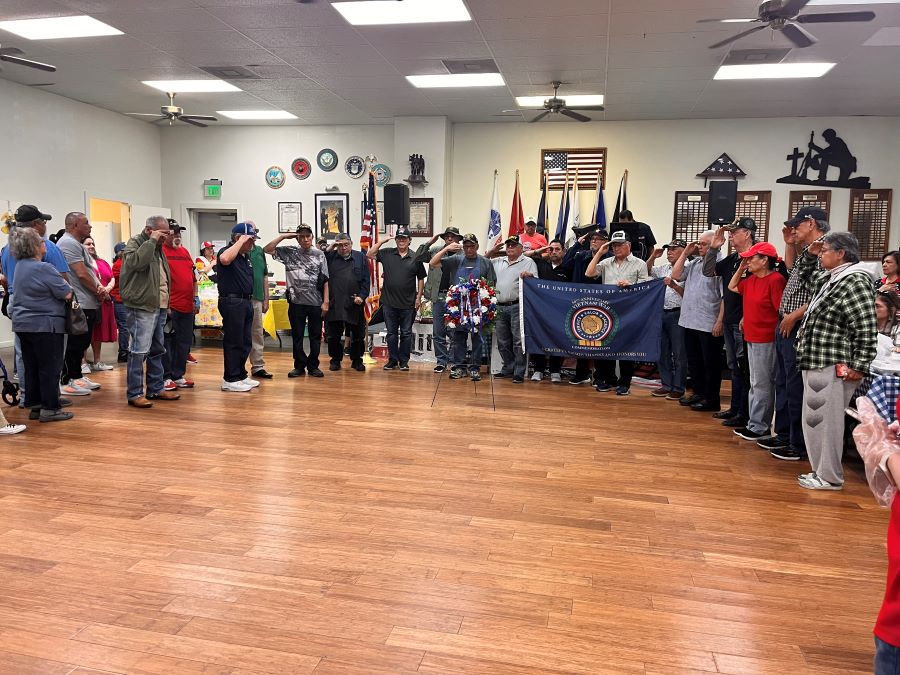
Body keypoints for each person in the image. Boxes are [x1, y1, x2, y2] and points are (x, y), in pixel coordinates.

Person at [794, 232, 876, 490]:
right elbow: (804, 276)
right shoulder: (833, 278)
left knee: (826, 421)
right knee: (814, 419)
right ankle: (820, 471)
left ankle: (830, 476)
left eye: (825, 250)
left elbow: (865, 325)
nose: (821, 254)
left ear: (841, 253)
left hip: (832, 362)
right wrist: (808, 253)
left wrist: (860, 365)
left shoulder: (856, 280)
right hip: (817, 359)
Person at [763, 206, 829, 460]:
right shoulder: (808, 251)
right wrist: (789, 243)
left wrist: (793, 315)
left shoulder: (825, 250)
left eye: (797, 225)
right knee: (783, 381)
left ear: (811, 223)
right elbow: (793, 271)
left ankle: (797, 443)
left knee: (794, 385)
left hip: (797, 324)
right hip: (786, 322)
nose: (793, 230)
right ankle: (783, 434)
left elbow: (820, 293)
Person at [1, 205, 70, 404]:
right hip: (45, 307)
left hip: (18, 303)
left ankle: (28, 397)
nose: (45, 226)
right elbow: (64, 282)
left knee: (25, 357)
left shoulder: (7, 249)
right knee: (50, 358)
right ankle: (50, 399)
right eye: (43, 222)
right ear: (35, 225)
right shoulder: (47, 249)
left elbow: (5, 279)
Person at [119, 215, 181, 407]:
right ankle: (135, 393)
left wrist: (167, 302)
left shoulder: (159, 248)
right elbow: (136, 263)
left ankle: (155, 388)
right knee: (138, 351)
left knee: (157, 349)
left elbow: (162, 277)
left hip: (159, 305)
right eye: (163, 234)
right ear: (149, 230)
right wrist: (152, 241)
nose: (166, 237)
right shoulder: (136, 243)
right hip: (141, 306)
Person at [728, 242, 787, 443]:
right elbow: (732, 286)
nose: (747, 261)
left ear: (764, 261)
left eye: (751, 258)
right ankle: (755, 422)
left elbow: (781, 311)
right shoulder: (751, 279)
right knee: (755, 382)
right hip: (751, 336)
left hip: (766, 337)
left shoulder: (775, 280)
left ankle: (760, 426)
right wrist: (741, 267)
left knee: (762, 383)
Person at [703, 218, 756, 429]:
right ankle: (736, 409)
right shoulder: (733, 258)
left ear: (748, 233)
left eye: (735, 232)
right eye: (730, 233)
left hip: (746, 322)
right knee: (735, 368)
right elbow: (708, 272)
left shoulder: (759, 257)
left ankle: (745, 413)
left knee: (746, 370)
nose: (730, 236)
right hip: (730, 320)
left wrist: (746, 316)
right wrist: (714, 249)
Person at [585, 230, 651, 395]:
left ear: (628, 245)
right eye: (613, 245)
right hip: (607, 311)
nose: (616, 248)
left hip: (629, 312)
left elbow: (645, 288)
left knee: (625, 348)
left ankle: (624, 383)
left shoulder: (639, 264)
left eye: (620, 244)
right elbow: (589, 273)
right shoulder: (606, 262)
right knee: (605, 346)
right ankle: (605, 379)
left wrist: (630, 285)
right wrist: (600, 252)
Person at [263, 224, 329, 378]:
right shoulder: (289, 252)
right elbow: (267, 249)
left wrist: (326, 301)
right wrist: (284, 236)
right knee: (297, 336)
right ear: (297, 238)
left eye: (308, 236)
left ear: (312, 237)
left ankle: (313, 366)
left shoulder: (319, 254)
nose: (305, 239)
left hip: (315, 302)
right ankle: (299, 365)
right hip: (296, 302)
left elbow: (326, 279)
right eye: (302, 236)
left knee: (315, 336)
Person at [429, 233, 497, 381]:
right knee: (458, 338)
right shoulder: (456, 259)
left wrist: (488, 308)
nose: (469, 249)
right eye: (466, 246)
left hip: (478, 308)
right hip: (458, 308)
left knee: (477, 339)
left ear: (477, 246)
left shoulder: (486, 262)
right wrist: (446, 248)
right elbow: (433, 263)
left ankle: (475, 368)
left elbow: (492, 286)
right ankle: (459, 367)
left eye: (472, 246)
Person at [671, 231, 725, 412]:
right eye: (699, 244)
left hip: (709, 321)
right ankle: (699, 392)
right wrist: (685, 253)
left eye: (704, 244)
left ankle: (711, 399)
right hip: (689, 320)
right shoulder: (694, 263)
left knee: (710, 363)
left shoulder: (720, 264)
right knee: (694, 361)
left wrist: (720, 321)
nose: (700, 247)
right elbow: (676, 275)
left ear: (715, 244)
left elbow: (725, 297)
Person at [56, 212, 106, 394]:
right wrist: (98, 291)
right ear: (75, 225)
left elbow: (89, 271)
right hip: (80, 301)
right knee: (76, 342)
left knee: (82, 341)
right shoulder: (68, 243)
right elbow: (81, 274)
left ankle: (76, 376)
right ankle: (67, 380)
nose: (90, 226)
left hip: (87, 300)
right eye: (86, 223)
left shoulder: (76, 244)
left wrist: (98, 289)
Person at [368, 226, 425, 371]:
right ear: (396, 240)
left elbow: (420, 278)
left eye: (404, 238)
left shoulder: (415, 257)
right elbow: (370, 253)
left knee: (406, 333)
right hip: (389, 302)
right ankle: (393, 360)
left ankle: (404, 361)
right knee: (392, 333)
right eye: (399, 238)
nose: (401, 241)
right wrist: (382, 241)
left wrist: (418, 298)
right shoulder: (387, 253)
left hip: (408, 304)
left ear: (409, 241)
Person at [560, 227, 608, 385]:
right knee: (581, 338)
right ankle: (582, 373)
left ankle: (601, 376)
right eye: (592, 238)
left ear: (605, 242)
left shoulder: (609, 258)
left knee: (600, 340)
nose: (593, 241)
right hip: (581, 301)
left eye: (598, 238)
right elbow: (565, 264)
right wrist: (577, 244)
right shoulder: (581, 255)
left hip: (602, 303)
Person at [486, 235, 538, 383]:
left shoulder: (528, 262)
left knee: (517, 341)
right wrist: (493, 250)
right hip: (499, 306)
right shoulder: (498, 261)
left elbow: (537, 283)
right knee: (502, 341)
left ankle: (519, 371)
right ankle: (508, 367)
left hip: (517, 305)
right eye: (508, 245)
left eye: (514, 245)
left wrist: (530, 276)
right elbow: (482, 261)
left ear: (521, 248)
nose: (510, 248)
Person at [415, 226, 463, 373]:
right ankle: (441, 361)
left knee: (454, 331)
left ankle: (455, 361)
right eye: (447, 236)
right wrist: (430, 241)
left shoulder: (463, 253)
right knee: (438, 332)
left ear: (457, 239)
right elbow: (418, 257)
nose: (449, 238)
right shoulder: (435, 250)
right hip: (438, 295)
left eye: (452, 236)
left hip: (455, 297)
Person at [647, 239, 687, 399]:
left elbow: (689, 295)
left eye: (673, 249)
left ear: (684, 251)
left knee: (679, 354)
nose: (669, 252)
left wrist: (675, 285)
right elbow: (645, 270)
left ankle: (678, 387)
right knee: (662, 352)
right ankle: (666, 384)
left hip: (679, 314)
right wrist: (653, 257)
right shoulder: (663, 268)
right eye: (668, 249)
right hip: (661, 313)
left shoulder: (688, 269)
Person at [527, 239, 570, 382]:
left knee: (558, 339)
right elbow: (525, 256)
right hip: (540, 311)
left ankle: (555, 371)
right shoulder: (540, 264)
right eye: (551, 249)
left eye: (557, 249)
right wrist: (538, 251)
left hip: (561, 311)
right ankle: (538, 369)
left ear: (564, 251)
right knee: (539, 337)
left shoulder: (569, 267)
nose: (554, 252)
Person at [324, 232, 369, 372]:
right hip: (335, 302)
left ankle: (356, 360)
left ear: (351, 244)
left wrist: (362, 296)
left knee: (358, 335)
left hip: (354, 302)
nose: (343, 248)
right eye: (340, 245)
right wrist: (331, 247)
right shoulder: (329, 257)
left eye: (346, 245)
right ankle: (335, 360)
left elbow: (366, 280)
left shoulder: (360, 257)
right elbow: (319, 259)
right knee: (333, 336)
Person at [161, 223, 197, 390]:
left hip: (187, 306)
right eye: (173, 233)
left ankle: (178, 375)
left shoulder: (184, 252)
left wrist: (195, 298)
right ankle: (165, 377)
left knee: (184, 342)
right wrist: (165, 304)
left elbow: (193, 277)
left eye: (179, 233)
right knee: (167, 343)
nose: (177, 236)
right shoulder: (160, 252)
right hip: (170, 307)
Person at [83, 236, 117, 371]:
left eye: (93, 243)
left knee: (99, 333)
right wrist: (100, 292)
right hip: (90, 300)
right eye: (87, 244)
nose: (91, 246)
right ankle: (83, 362)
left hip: (105, 301)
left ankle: (97, 361)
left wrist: (107, 290)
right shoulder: (83, 263)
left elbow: (112, 278)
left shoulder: (102, 262)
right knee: (86, 333)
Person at [247, 226, 272, 379]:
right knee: (241, 335)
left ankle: (258, 366)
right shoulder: (238, 251)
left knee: (257, 333)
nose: (254, 238)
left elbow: (264, 276)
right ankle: (238, 369)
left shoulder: (259, 251)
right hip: (241, 299)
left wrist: (266, 298)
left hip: (257, 298)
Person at [110, 242, 129, 363]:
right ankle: (123, 352)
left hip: (124, 299)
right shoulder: (118, 265)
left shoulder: (124, 264)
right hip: (120, 300)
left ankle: (125, 350)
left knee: (126, 327)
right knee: (124, 327)